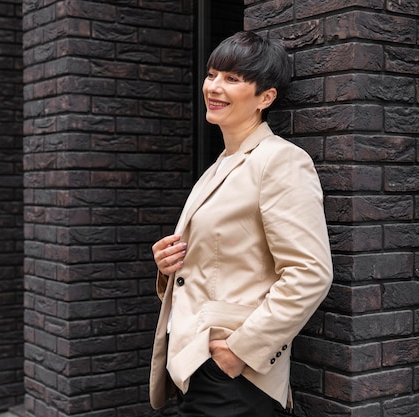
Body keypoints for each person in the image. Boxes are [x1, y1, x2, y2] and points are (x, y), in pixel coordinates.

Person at [148, 31, 333, 416]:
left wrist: (238, 352)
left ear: (266, 98)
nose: (214, 87)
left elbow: (310, 273)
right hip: (193, 364)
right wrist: (169, 269)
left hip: (234, 374)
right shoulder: (218, 168)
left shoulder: (281, 161)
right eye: (213, 74)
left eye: (233, 78)